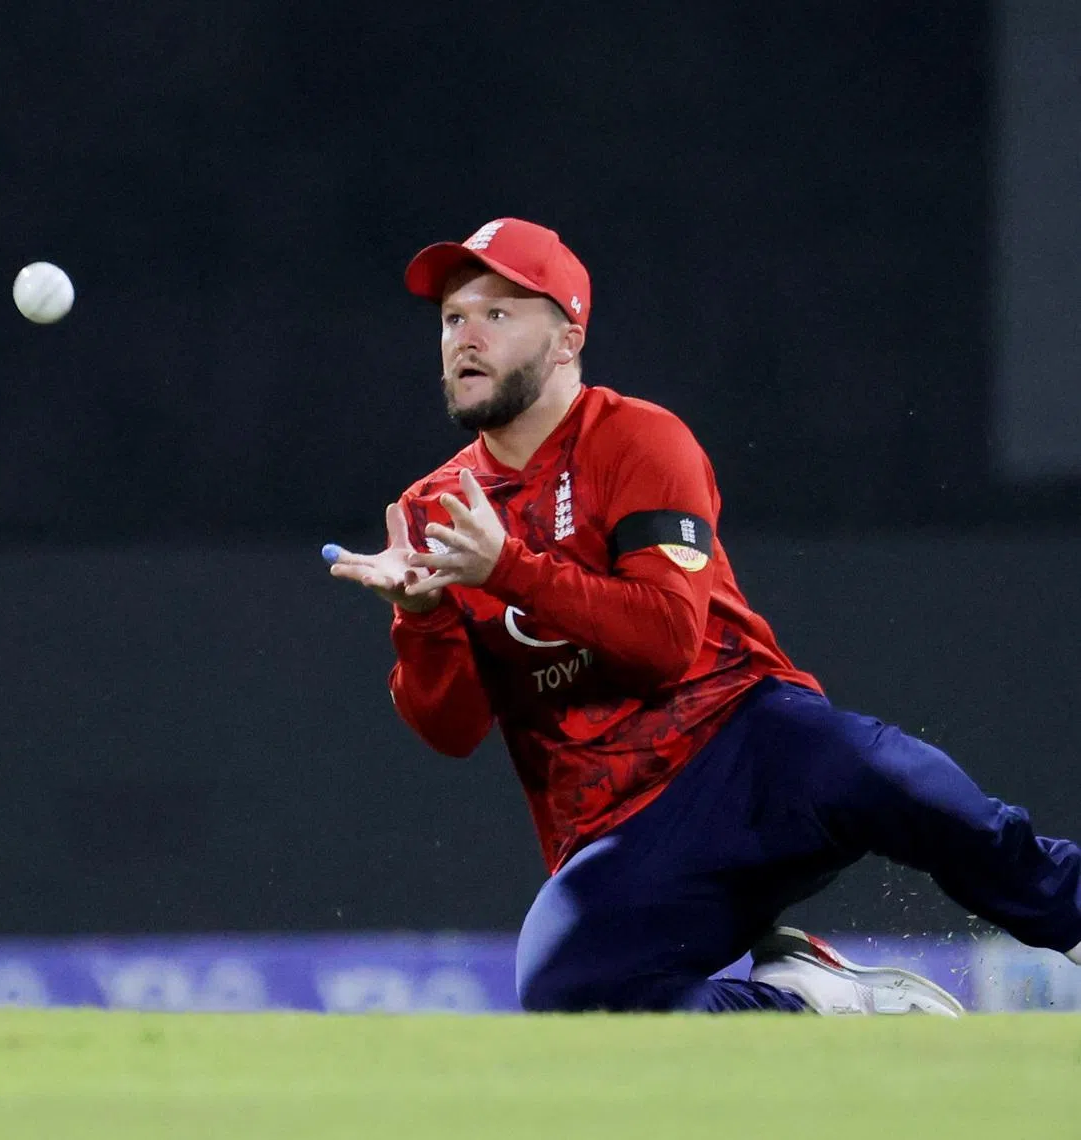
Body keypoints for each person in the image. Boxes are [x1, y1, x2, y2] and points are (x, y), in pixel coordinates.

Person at [323, 217, 1081, 1015]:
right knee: (567, 994)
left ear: (567, 339)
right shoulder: (435, 505)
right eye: (452, 318)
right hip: (618, 830)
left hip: (746, 748)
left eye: (497, 314)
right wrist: (424, 614)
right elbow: (451, 731)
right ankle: (815, 1007)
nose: (465, 338)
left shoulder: (640, 440)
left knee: (886, 774)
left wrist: (507, 569)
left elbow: (664, 641)